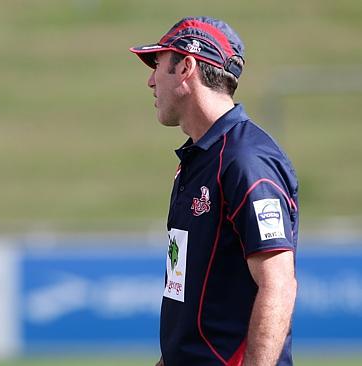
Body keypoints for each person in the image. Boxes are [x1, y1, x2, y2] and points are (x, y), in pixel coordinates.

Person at [129, 17, 298, 365]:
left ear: (186, 68)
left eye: (157, 65)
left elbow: (278, 285)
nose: (149, 81)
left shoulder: (245, 160)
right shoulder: (198, 159)